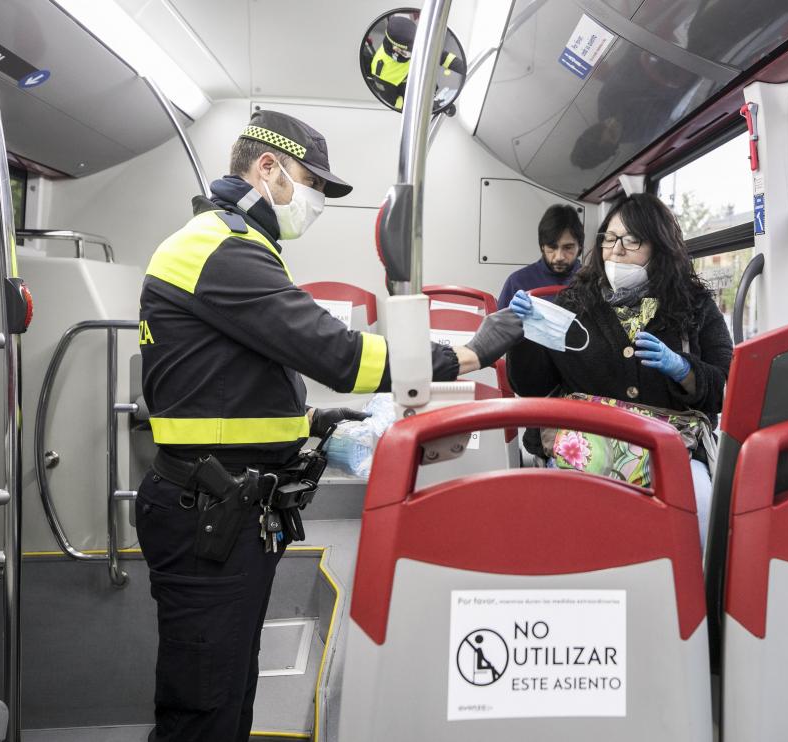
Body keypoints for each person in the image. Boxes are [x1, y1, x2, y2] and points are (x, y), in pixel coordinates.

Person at [135, 107, 516, 741]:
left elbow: (223, 384)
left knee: (226, 688)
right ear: (268, 168)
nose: (312, 201)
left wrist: (309, 420)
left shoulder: (235, 244)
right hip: (207, 509)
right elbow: (339, 355)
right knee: (203, 707)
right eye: (310, 184)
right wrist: (469, 353)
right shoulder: (221, 248)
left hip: (222, 505)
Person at [506, 193, 733, 549]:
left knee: (700, 515)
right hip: (584, 445)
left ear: (660, 247)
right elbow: (532, 386)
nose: (616, 250)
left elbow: (725, 387)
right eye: (610, 239)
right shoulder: (575, 302)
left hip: (672, 448)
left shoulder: (694, 306)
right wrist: (524, 337)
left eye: (632, 241)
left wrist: (684, 371)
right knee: (563, 529)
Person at [366, 14, 465, 111]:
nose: (417, 52)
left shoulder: (413, 43)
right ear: (396, 49)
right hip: (408, 93)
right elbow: (394, 102)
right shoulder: (381, 73)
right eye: (411, 51)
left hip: (422, 81)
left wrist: (464, 68)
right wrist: (428, 106)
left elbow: (442, 56)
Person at [496, 204, 584, 309]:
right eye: (552, 247)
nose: (559, 257)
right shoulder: (517, 282)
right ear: (542, 246)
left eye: (568, 247)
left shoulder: (593, 283)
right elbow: (499, 319)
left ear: (580, 247)